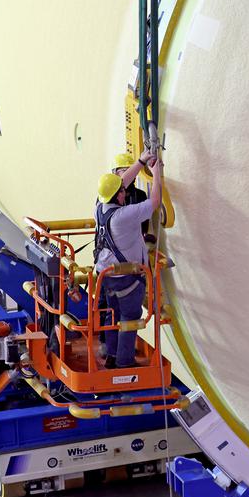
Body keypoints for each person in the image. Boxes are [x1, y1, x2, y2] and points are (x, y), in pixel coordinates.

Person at [94, 148, 163, 368]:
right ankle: (124, 363)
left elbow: (120, 183)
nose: (126, 193)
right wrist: (157, 173)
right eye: (122, 192)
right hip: (127, 278)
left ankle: (112, 355)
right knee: (129, 319)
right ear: (117, 196)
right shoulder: (124, 216)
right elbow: (155, 202)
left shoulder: (100, 207)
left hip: (106, 274)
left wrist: (141, 161)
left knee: (112, 315)